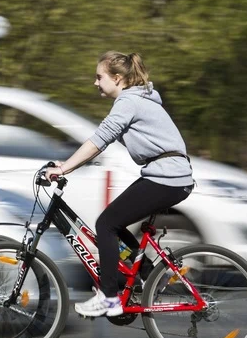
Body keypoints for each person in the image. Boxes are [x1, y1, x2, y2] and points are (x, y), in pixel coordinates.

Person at [44, 51, 194, 318]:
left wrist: (64, 167)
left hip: (167, 178)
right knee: (114, 222)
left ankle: (109, 298)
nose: (95, 82)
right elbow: (101, 144)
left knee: (106, 224)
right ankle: (149, 275)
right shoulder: (138, 99)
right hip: (167, 176)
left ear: (117, 78)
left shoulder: (129, 101)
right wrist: (71, 163)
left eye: (99, 77)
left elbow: (100, 140)